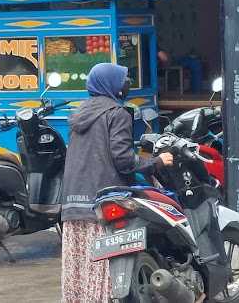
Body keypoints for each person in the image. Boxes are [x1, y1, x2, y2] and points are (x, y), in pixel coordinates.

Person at [61, 62, 174, 303]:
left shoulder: (79, 115)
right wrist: (156, 162)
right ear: (111, 83)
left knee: (80, 266)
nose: (127, 84)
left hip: (72, 201)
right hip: (103, 198)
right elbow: (123, 160)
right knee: (103, 268)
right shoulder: (117, 113)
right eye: (123, 79)